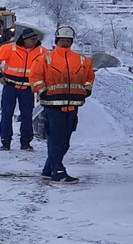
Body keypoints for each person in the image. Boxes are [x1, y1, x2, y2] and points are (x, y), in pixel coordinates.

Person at [30, 25, 94, 183]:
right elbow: (34, 76)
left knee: (64, 141)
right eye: (62, 40)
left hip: (73, 106)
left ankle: (48, 170)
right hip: (53, 106)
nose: (65, 43)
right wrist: (41, 90)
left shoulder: (82, 60)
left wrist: (87, 90)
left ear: (71, 42)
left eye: (67, 40)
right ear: (57, 40)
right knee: (56, 140)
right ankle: (58, 171)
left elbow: (89, 77)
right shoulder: (45, 58)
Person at [0, 25, 44, 151]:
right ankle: (6, 142)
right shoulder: (10, 48)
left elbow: (49, 67)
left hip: (28, 89)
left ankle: (26, 142)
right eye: (31, 39)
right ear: (24, 39)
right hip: (10, 86)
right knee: (6, 114)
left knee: (27, 115)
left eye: (35, 39)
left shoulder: (42, 52)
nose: (33, 41)